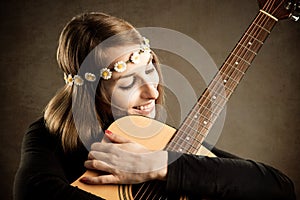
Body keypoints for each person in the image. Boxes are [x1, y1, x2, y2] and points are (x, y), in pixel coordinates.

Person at [14, 12, 296, 200]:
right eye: (127, 84)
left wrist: (158, 165)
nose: (152, 91)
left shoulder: (155, 135)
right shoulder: (48, 135)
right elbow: (33, 192)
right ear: (90, 92)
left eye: (150, 69)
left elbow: (279, 187)